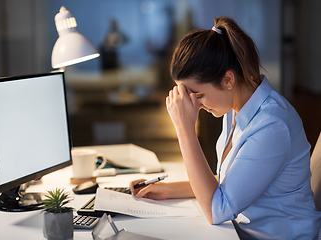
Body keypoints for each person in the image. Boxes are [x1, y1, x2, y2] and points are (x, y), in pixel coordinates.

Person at [130, 16, 321, 239]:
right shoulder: (234, 109)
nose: (197, 106)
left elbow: (217, 210)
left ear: (228, 80)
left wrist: (184, 130)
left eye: (199, 95)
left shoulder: (272, 125)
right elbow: (227, 184)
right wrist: (169, 190)